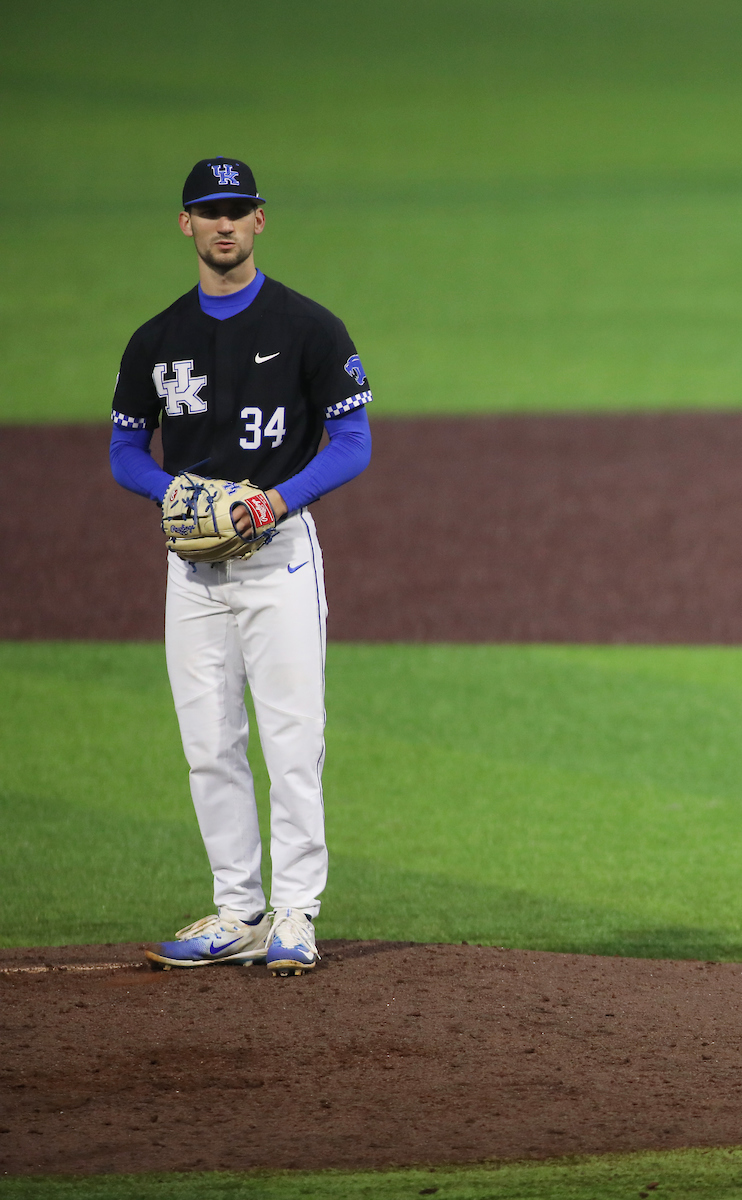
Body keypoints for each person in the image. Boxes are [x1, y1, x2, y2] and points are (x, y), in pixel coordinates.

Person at [110, 157, 372, 974]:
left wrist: (271, 503)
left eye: (238, 209)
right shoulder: (157, 340)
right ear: (185, 224)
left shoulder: (309, 328)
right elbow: (124, 450)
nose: (224, 224)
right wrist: (171, 492)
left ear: (261, 219)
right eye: (208, 211)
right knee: (209, 744)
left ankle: (295, 914)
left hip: (281, 560)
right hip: (191, 572)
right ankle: (236, 911)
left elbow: (354, 444)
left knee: (293, 740)